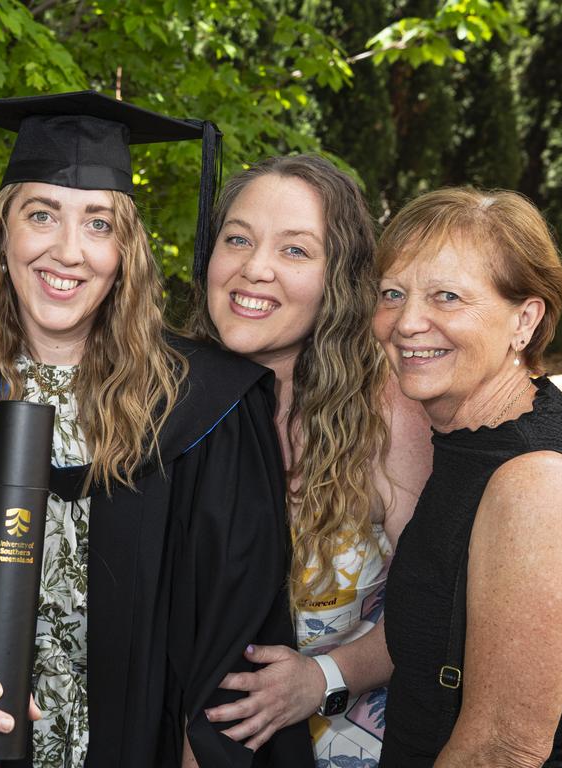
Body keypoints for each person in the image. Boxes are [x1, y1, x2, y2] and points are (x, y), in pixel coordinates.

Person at [0, 91, 311, 768]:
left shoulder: (207, 405)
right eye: (41, 215)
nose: (68, 251)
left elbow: (232, 642)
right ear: (1, 234)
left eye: (99, 224)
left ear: (126, 248)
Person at [372, 187, 562, 766]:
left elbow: (499, 751)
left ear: (525, 318)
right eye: (393, 293)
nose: (408, 322)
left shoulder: (535, 487)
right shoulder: (475, 437)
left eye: (447, 297)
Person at [190, 154, 433, 766]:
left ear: (339, 277)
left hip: (346, 742)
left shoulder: (389, 416)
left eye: (295, 251)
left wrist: (324, 675)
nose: (255, 269)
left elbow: (437, 606)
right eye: (237, 239)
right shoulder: (162, 403)